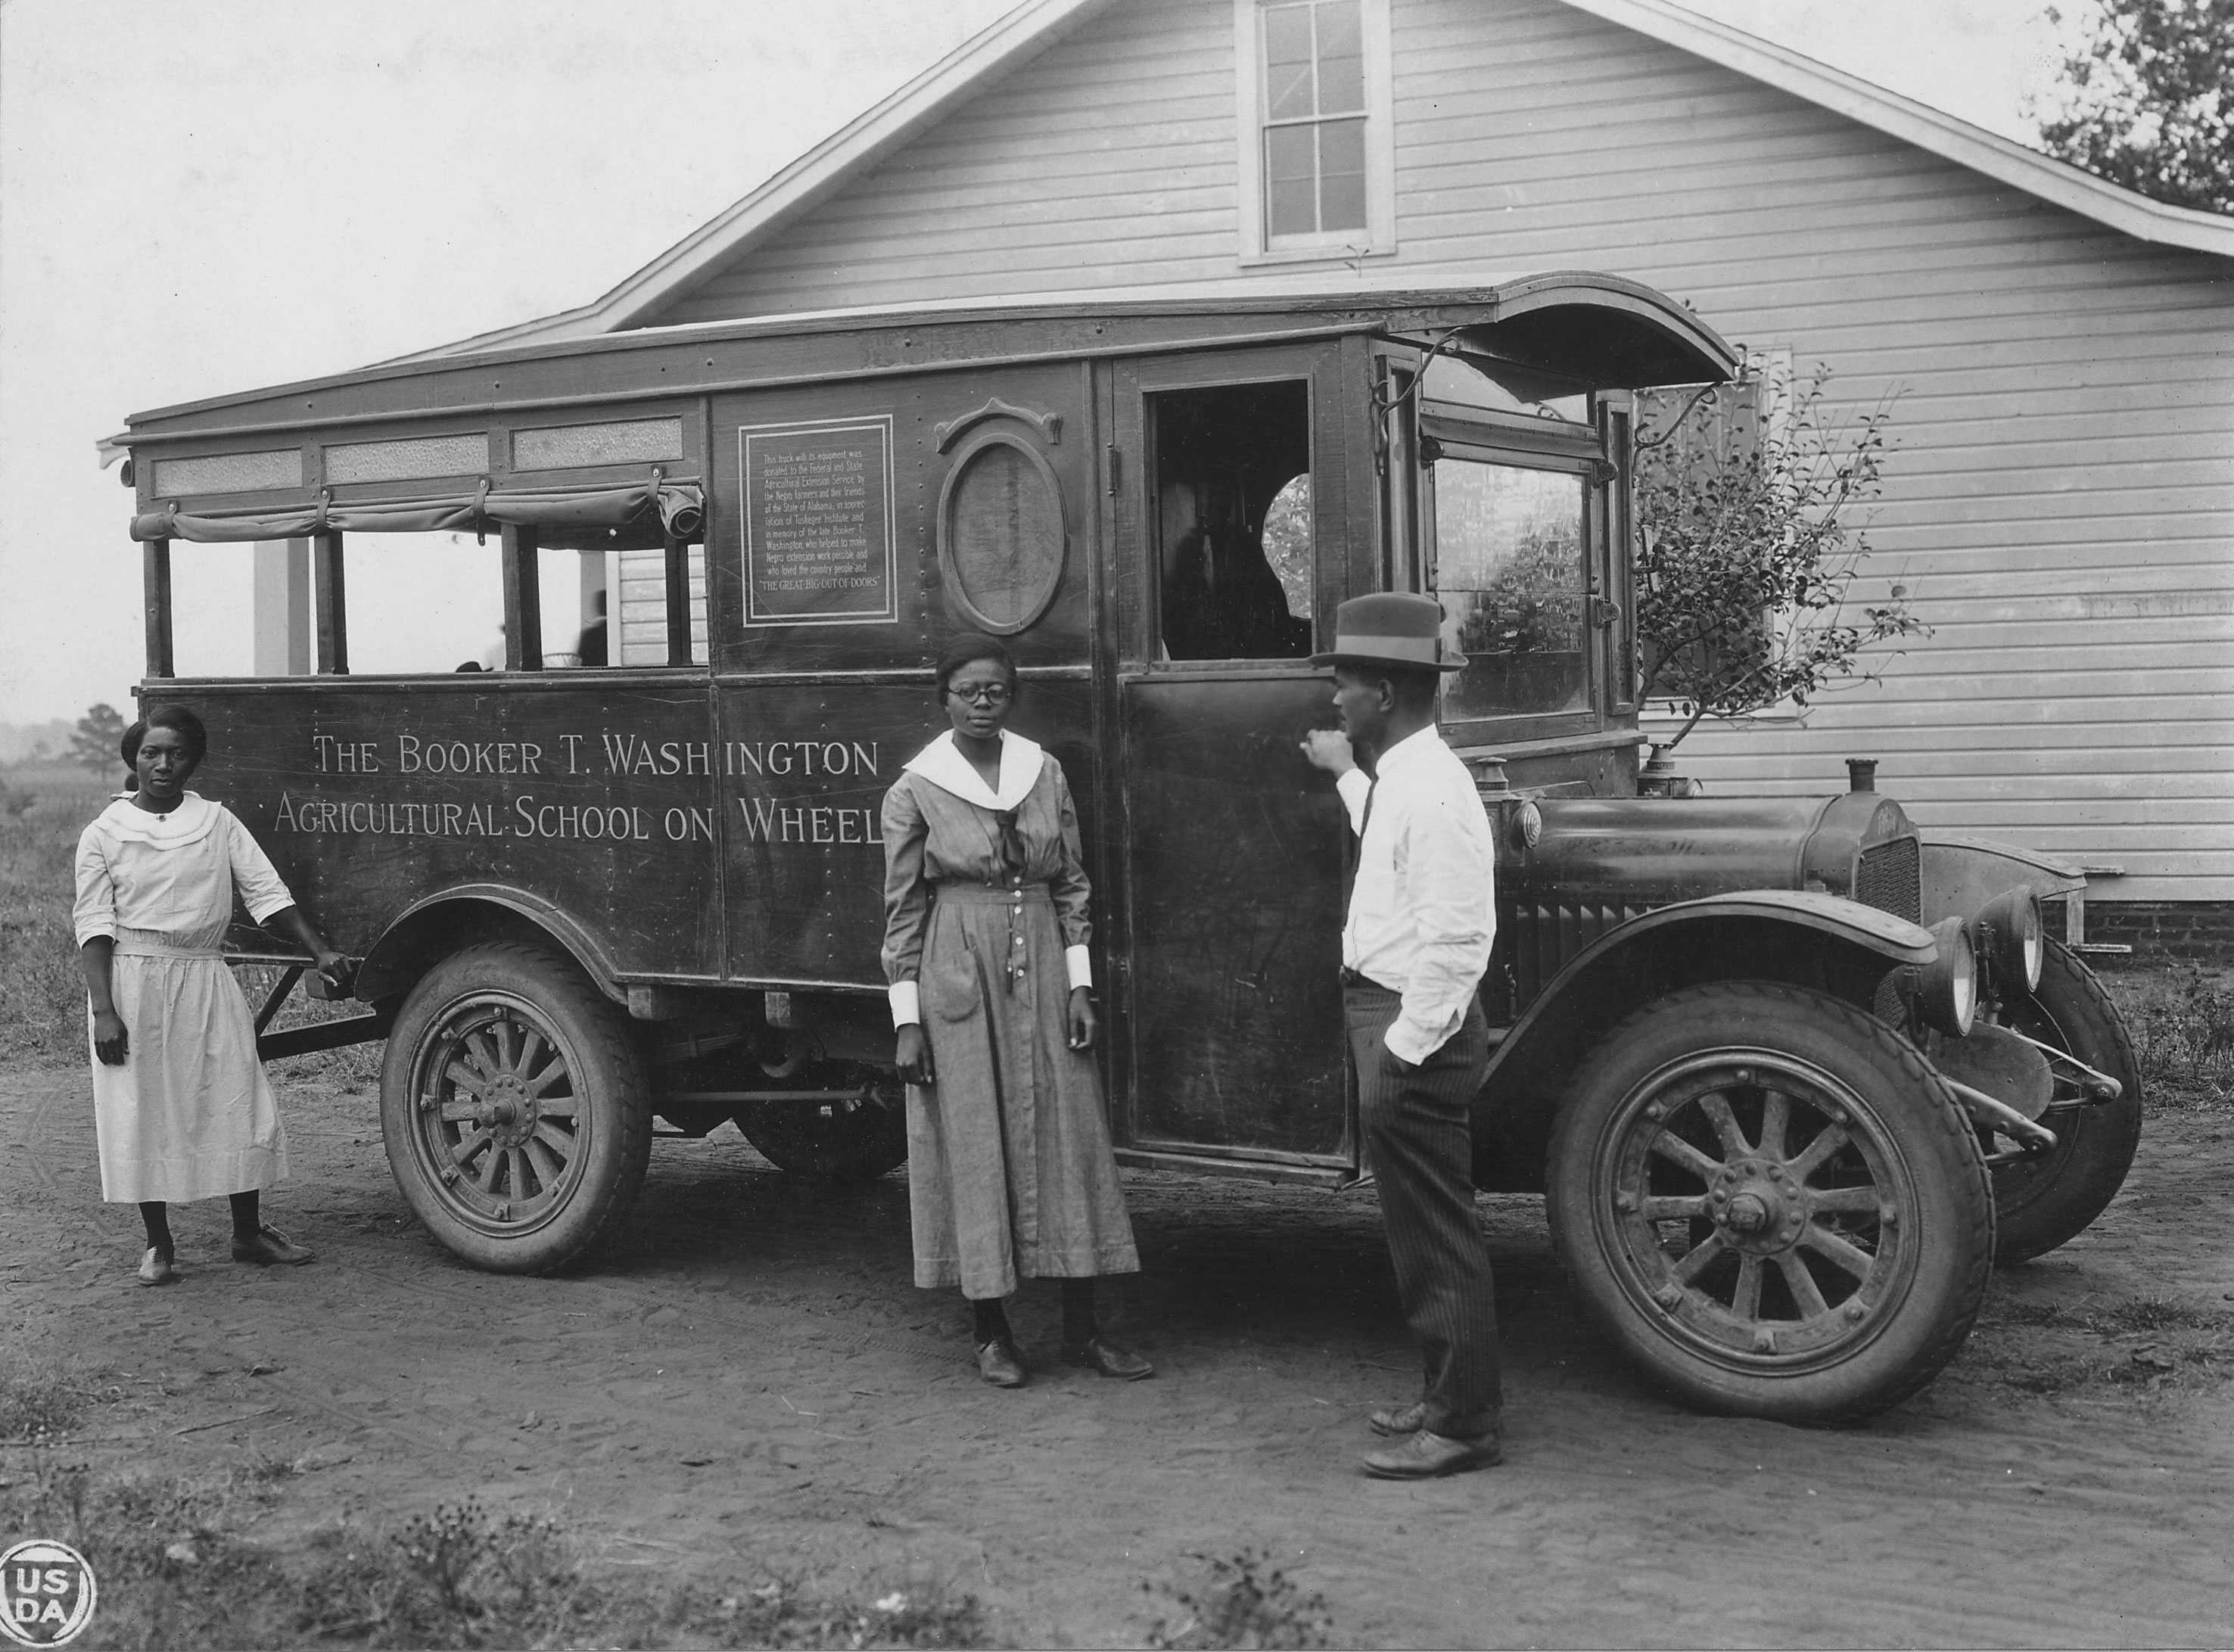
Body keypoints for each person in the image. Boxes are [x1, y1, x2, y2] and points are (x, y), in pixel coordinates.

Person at [881, 635, 1150, 1388]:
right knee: (975, 1138)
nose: (982, 700)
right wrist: (907, 1016)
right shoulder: (915, 789)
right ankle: (991, 1331)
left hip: (1041, 959)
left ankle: (1083, 1330)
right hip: (957, 967)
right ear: (944, 700)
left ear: (1012, 695)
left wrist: (1080, 984)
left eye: (995, 689)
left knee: (1070, 1136)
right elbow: (902, 909)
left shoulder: (1043, 771)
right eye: (967, 690)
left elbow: (1071, 882)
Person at [1299, 593, 1503, 1478]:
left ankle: (1462, 1425)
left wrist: (1402, 1052)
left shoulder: (1434, 788)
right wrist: (1346, 774)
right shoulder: (1406, 778)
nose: (1335, 699)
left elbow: (1460, 940)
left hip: (1411, 1026)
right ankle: (1446, 1395)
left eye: (1345, 683)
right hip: (1392, 1014)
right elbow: (1386, 847)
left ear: (1382, 690)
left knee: (1436, 1232)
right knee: (1418, 1232)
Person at [73, 706, 353, 1286]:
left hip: (204, 974)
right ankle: (159, 1244)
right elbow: (94, 925)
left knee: (235, 1094)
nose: (163, 764)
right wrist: (104, 1011)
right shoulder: (104, 832)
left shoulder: (218, 822)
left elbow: (266, 891)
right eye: (151, 752)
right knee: (143, 1107)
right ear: (135, 758)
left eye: (175, 753)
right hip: (133, 982)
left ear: (193, 760)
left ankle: (248, 1234)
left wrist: (318, 949)